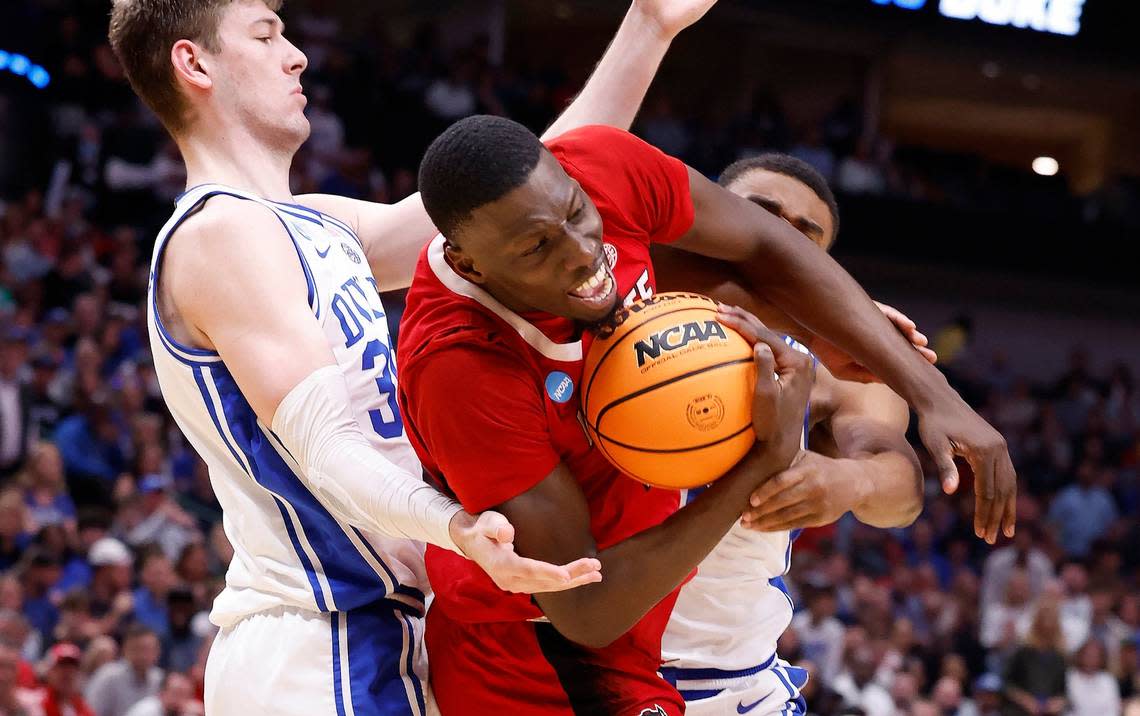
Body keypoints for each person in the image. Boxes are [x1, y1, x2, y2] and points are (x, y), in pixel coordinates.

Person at [106, 0, 723, 713]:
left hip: (378, 631)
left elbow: (515, 191)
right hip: (318, 638)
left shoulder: (317, 224)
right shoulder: (222, 235)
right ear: (194, 63)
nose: (296, 54)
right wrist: (455, 526)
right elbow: (325, 445)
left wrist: (648, 28)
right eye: (266, 34)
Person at [403, 117, 816, 713]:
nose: (582, 251)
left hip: (640, 639)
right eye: (539, 245)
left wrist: (892, 372)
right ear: (471, 266)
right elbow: (583, 607)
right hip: (529, 652)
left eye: (576, 214)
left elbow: (893, 480)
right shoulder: (462, 364)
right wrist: (760, 463)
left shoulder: (608, 206)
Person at [654, 154, 922, 715]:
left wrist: (850, 481)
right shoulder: (624, 302)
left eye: (807, 233)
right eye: (763, 213)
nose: (781, 236)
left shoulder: (838, 364)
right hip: (575, 650)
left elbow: (900, 487)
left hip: (726, 678)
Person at [82, 626, 161, 716]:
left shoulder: (159, 679)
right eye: (138, 649)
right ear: (125, 650)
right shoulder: (108, 676)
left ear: (158, 652)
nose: (143, 655)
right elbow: (90, 711)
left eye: (148, 649)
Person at [1066, 640, 1121, 716]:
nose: (1091, 659)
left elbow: (1113, 709)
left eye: (1095, 656)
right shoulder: (1070, 677)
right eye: (1088, 655)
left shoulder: (1108, 680)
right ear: (1080, 655)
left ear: (1101, 658)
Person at [38, 643, 95, 716]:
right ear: (49, 671)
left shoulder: (83, 708)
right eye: (62, 666)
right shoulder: (36, 704)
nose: (67, 672)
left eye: (72, 667)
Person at [120, 673, 196, 716]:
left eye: (185, 695)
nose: (180, 700)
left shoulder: (179, 712)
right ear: (162, 693)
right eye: (176, 693)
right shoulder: (148, 710)